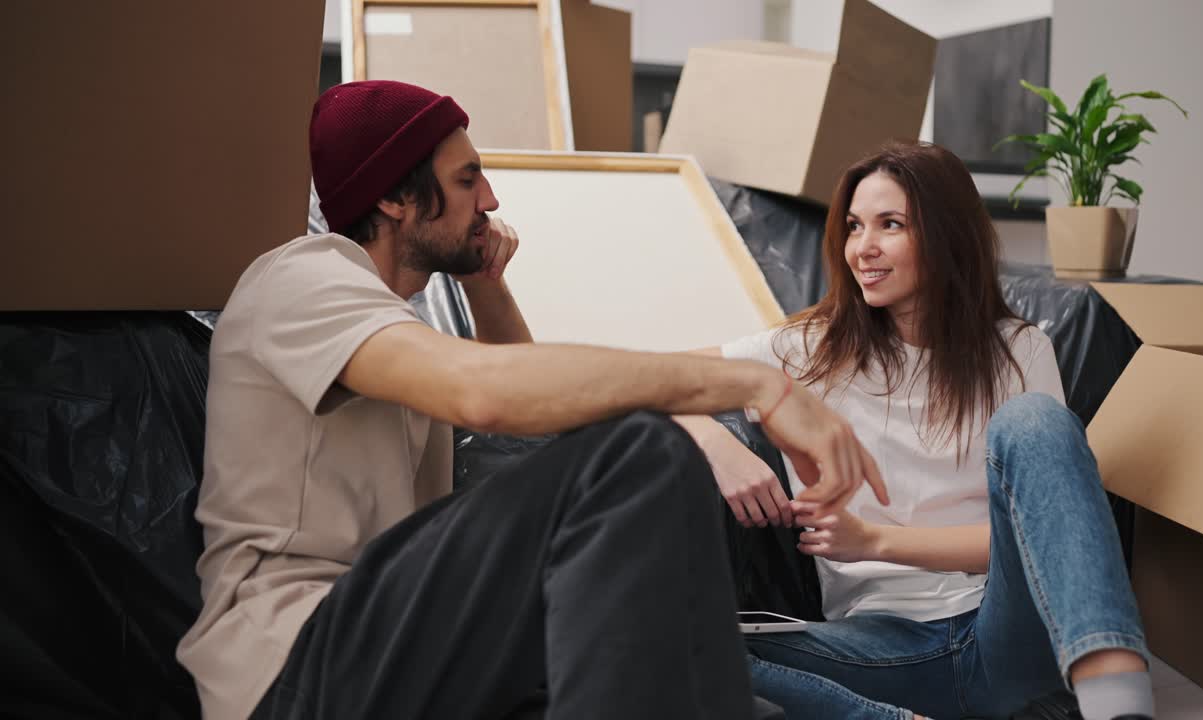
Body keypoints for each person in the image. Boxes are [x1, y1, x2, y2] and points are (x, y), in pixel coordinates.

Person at [176, 79, 888, 720]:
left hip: (402, 646)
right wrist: (756, 385)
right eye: (467, 179)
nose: (490, 200)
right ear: (394, 197)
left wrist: (485, 283)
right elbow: (483, 393)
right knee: (639, 456)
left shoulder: (389, 322)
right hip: (293, 659)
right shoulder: (302, 279)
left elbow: (529, 409)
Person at [674, 142, 1154, 720]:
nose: (863, 247)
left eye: (891, 224)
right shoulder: (804, 350)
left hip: (1004, 629)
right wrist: (714, 442)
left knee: (1036, 419)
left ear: (946, 234)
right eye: (854, 226)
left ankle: (1118, 702)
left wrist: (874, 542)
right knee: (687, 646)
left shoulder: (1019, 349)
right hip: (879, 650)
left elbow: (1043, 538)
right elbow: (647, 377)